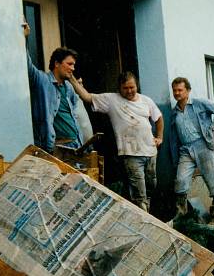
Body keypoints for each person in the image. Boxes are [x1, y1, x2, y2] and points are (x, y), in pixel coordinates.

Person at [69, 72, 164, 211]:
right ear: (119, 88)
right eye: (125, 88)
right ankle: (143, 218)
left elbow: (159, 117)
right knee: (139, 191)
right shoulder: (111, 100)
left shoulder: (146, 100)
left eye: (132, 87)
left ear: (136, 85)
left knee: (151, 186)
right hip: (130, 154)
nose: (129, 91)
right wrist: (72, 80)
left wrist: (160, 137)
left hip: (150, 151)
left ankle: (144, 214)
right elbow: (87, 97)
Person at [168, 77, 214, 224]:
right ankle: (182, 216)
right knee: (180, 181)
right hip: (185, 150)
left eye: (180, 90)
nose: (177, 93)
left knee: (213, 181)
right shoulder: (174, 112)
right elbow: (174, 138)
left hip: (203, 146)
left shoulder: (199, 103)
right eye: (174, 90)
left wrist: (212, 128)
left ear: (188, 91)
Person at [23, 22, 83, 152]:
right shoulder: (42, 80)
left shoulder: (69, 87)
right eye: (69, 64)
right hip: (56, 148)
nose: (73, 68)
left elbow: (73, 110)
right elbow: (27, 66)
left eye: (74, 65)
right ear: (57, 63)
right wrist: (24, 39)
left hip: (76, 145)